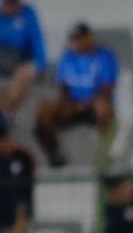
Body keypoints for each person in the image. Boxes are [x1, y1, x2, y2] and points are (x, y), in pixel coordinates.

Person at [36, 22, 119, 166]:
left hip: (94, 104)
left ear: (90, 37)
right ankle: (55, 154)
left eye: (81, 38)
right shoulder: (67, 57)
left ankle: (104, 153)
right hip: (73, 104)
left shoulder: (104, 56)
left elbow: (107, 88)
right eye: (75, 39)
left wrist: (86, 104)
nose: (77, 42)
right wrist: (70, 105)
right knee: (44, 109)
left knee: (103, 108)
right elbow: (63, 87)